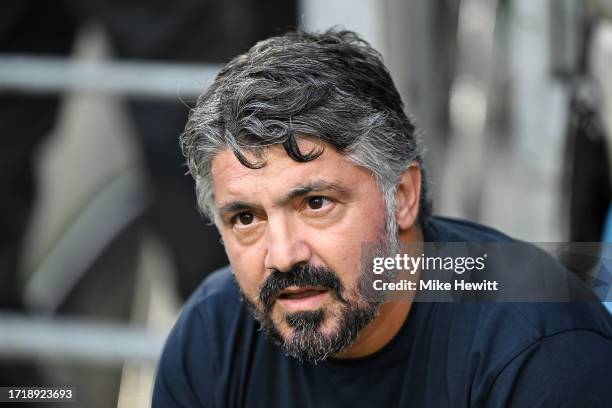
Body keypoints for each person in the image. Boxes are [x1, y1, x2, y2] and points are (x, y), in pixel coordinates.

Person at [152, 29, 612, 407]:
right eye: (246, 217)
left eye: (316, 204)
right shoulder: (212, 335)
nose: (283, 255)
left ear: (403, 196)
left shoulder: (542, 347)